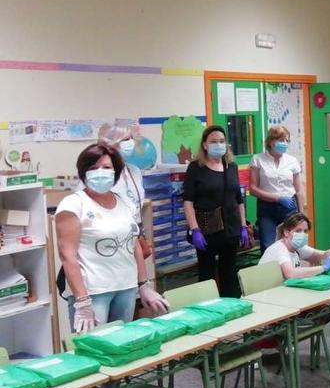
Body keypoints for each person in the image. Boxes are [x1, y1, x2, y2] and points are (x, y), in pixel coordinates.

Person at [57, 143, 170, 331]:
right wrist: (82, 302)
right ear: (83, 172)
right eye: (93, 168)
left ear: (115, 172)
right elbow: (68, 256)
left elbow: (133, 244)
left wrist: (144, 285)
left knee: (121, 345)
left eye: (106, 167)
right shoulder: (73, 204)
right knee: (94, 349)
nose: (100, 172)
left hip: (126, 287)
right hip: (93, 292)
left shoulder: (124, 202)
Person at [183, 126, 248, 298]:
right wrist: (194, 229)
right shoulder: (196, 168)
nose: (218, 144)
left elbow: (239, 199)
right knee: (207, 275)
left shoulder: (231, 166)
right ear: (205, 145)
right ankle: (208, 312)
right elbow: (188, 201)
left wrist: (243, 226)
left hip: (231, 229)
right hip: (207, 231)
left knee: (229, 273)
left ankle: (233, 311)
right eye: (213, 141)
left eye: (221, 141)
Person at [249, 125, 307, 252]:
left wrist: (301, 213)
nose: (284, 144)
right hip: (267, 207)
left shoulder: (292, 161)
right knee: (268, 245)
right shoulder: (258, 159)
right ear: (270, 141)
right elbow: (253, 188)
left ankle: (292, 270)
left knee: (293, 242)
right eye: (281, 140)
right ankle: (271, 271)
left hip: (289, 206)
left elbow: (299, 190)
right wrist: (277, 198)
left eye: (287, 141)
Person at [259, 213, 330, 279]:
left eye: (305, 231)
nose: (302, 234)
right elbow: (290, 274)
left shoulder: (297, 247)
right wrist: (323, 267)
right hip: (264, 294)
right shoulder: (279, 249)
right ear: (286, 232)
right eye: (298, 231)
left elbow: (323, 255)